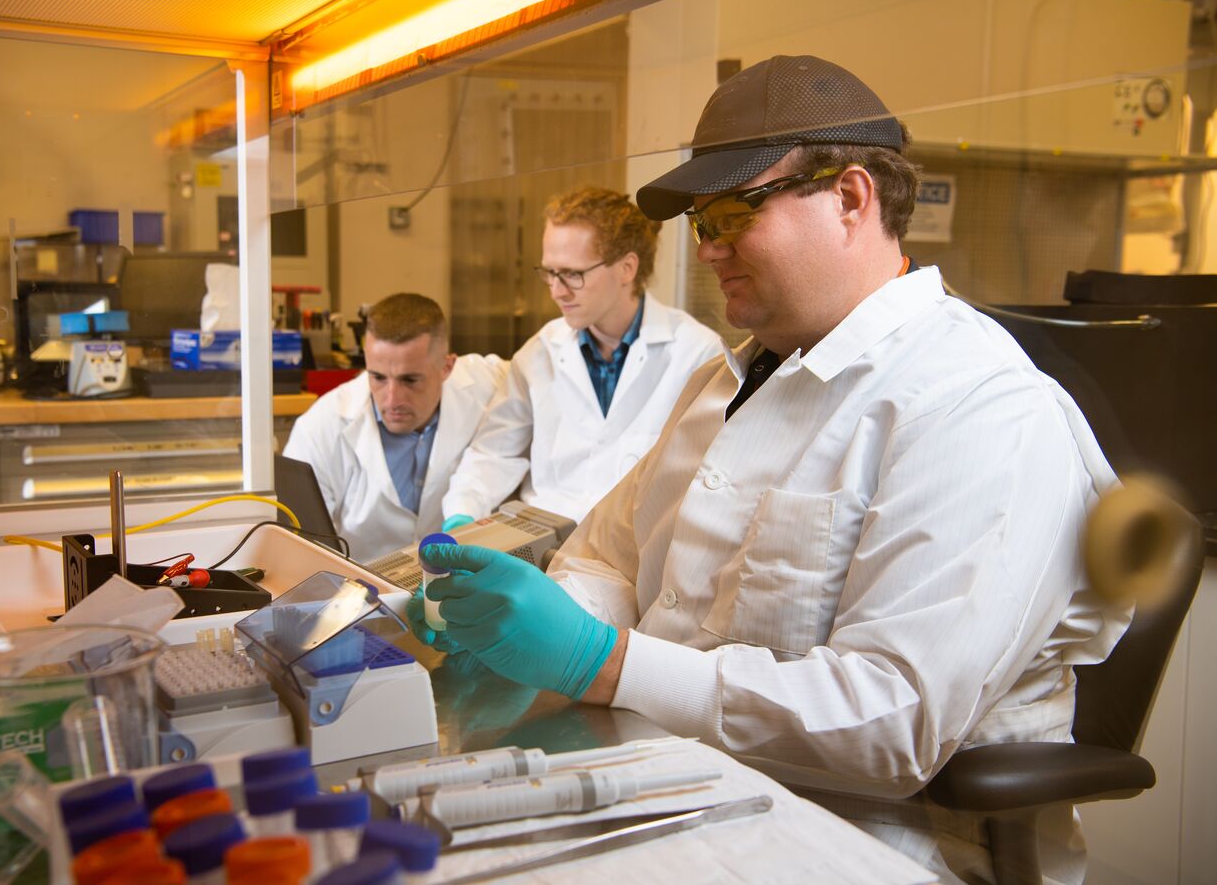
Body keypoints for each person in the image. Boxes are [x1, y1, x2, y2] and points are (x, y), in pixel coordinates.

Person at [412, 57, 1130, 884]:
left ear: (851, 198)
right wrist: (521, 629)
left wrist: (601, 661)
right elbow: (605, 553)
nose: (707, 248)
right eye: (698, 222)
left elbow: (891, 722)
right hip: (672, 779)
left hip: (871, 840)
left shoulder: (978, 408)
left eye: (729, 214)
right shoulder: (726, 379)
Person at [440, 187, 725, 526]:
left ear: (626, 268)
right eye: (550, 272)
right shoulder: (541, 351)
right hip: (545, 542)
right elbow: (495, 453)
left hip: (634, 555)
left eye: (573, 274)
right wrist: (461, 514)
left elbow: (709, 477)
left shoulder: (697, 353)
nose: (557, 291)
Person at [283, 293, 505, 562]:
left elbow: (537, 372)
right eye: (377, 377)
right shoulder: (320, 427)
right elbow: (298, 548)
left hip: (458, 582)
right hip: (360, 591)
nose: (392, 399)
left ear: (447, 367)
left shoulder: (485, 383)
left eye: (410, 380)